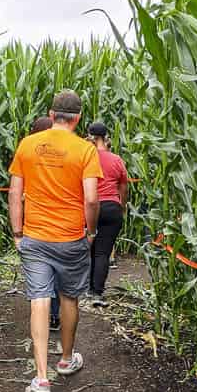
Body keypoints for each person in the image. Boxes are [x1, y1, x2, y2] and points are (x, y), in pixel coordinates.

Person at [8, 90, 102, 392]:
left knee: (38, 299)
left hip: (35, 237)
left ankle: (41, 379)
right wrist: (90, 231)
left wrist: (18, 232)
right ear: (78, 118)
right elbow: (91, 198)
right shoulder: (85, 150)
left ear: (51, 115)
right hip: (70, 238)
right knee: (69, 298)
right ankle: (65, 360)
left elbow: (14, 192)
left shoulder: (28, 144)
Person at [87, 122, 129, 304]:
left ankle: (86, 289)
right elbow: (123, 186)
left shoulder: (86, 158)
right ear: (106, 137)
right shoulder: (117, 160)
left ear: (90, 137)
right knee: (102, 252)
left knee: (88, 249)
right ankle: (97, 292)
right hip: (112, 207)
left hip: (91, 207)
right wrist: (123, 206)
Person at [28, 116, 62, 331]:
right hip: (60, 224)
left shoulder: (27, 151)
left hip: (35, 223)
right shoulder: (64, 153)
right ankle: (54, 315)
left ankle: (44, 315)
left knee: (40, 271)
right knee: (57, 271)